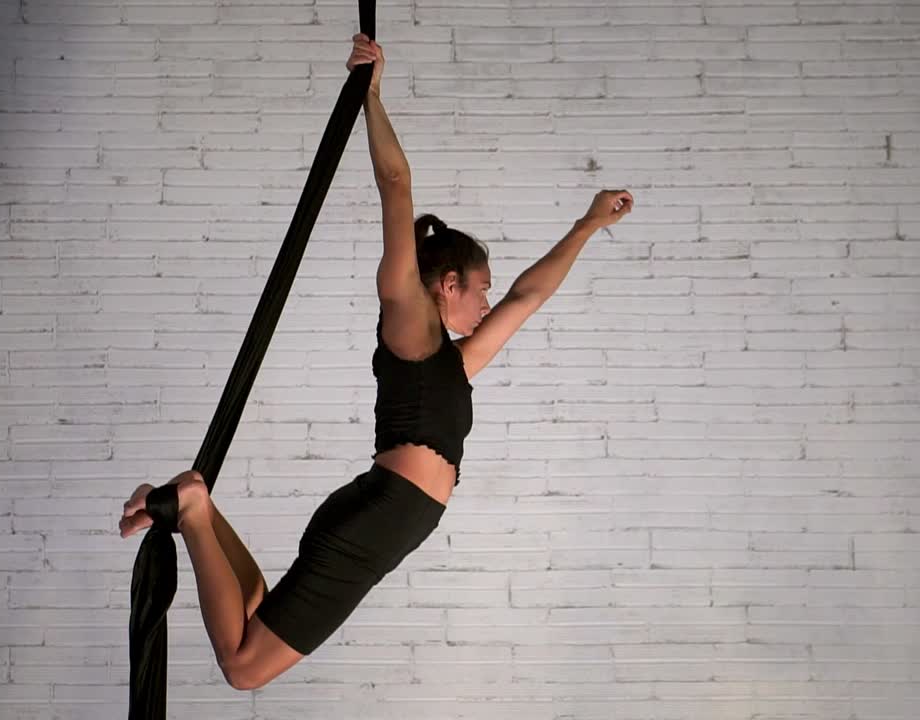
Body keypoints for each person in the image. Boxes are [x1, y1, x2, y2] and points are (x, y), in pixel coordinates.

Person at [117, 33, 633, 691]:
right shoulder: (410, 325)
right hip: (380, 518)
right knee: (245, 667)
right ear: (446, 283)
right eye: (479, 289)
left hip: (382, 523)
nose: (486, 303)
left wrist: (588, 225)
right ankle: (193, 511)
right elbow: (396, 184)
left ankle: (198, 502)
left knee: (252, 616)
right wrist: (373, 94)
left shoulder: (451, 362)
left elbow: (528, 295)